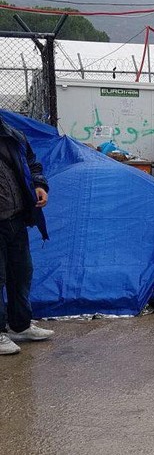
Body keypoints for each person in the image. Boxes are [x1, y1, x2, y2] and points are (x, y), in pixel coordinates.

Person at [0, 114, 53, 355]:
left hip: (15, 219)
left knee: (21, 273)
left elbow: (31, 163)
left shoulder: (12, 134)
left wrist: (39, 184)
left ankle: (19, 326)